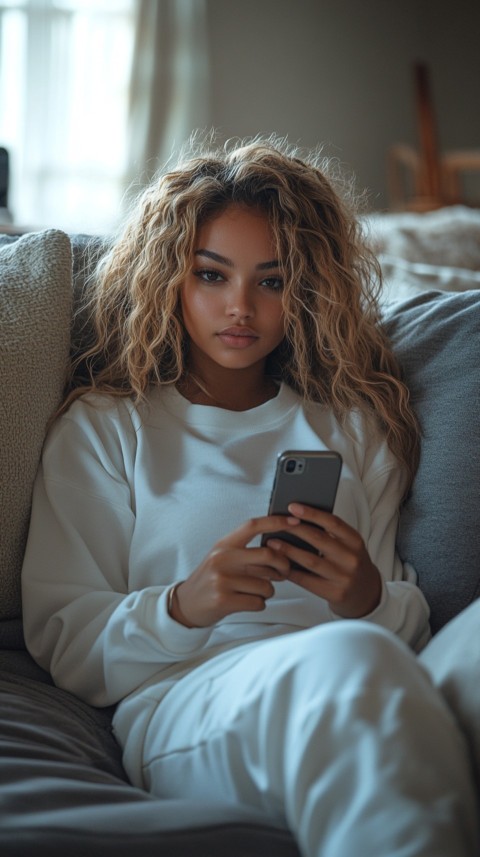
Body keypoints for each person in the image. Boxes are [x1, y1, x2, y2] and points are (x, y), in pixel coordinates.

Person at [21, 136, 477, 856]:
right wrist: (182, 604)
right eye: (211, 275)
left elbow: (404, 619)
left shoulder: (352, 425)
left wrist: (366, 596)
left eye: (270, 280)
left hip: (363, 667)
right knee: (352, 663)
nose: (240, 307)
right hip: (190, 699)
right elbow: (66, 640)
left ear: (306, 287)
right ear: (170, 277)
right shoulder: (107, 428)